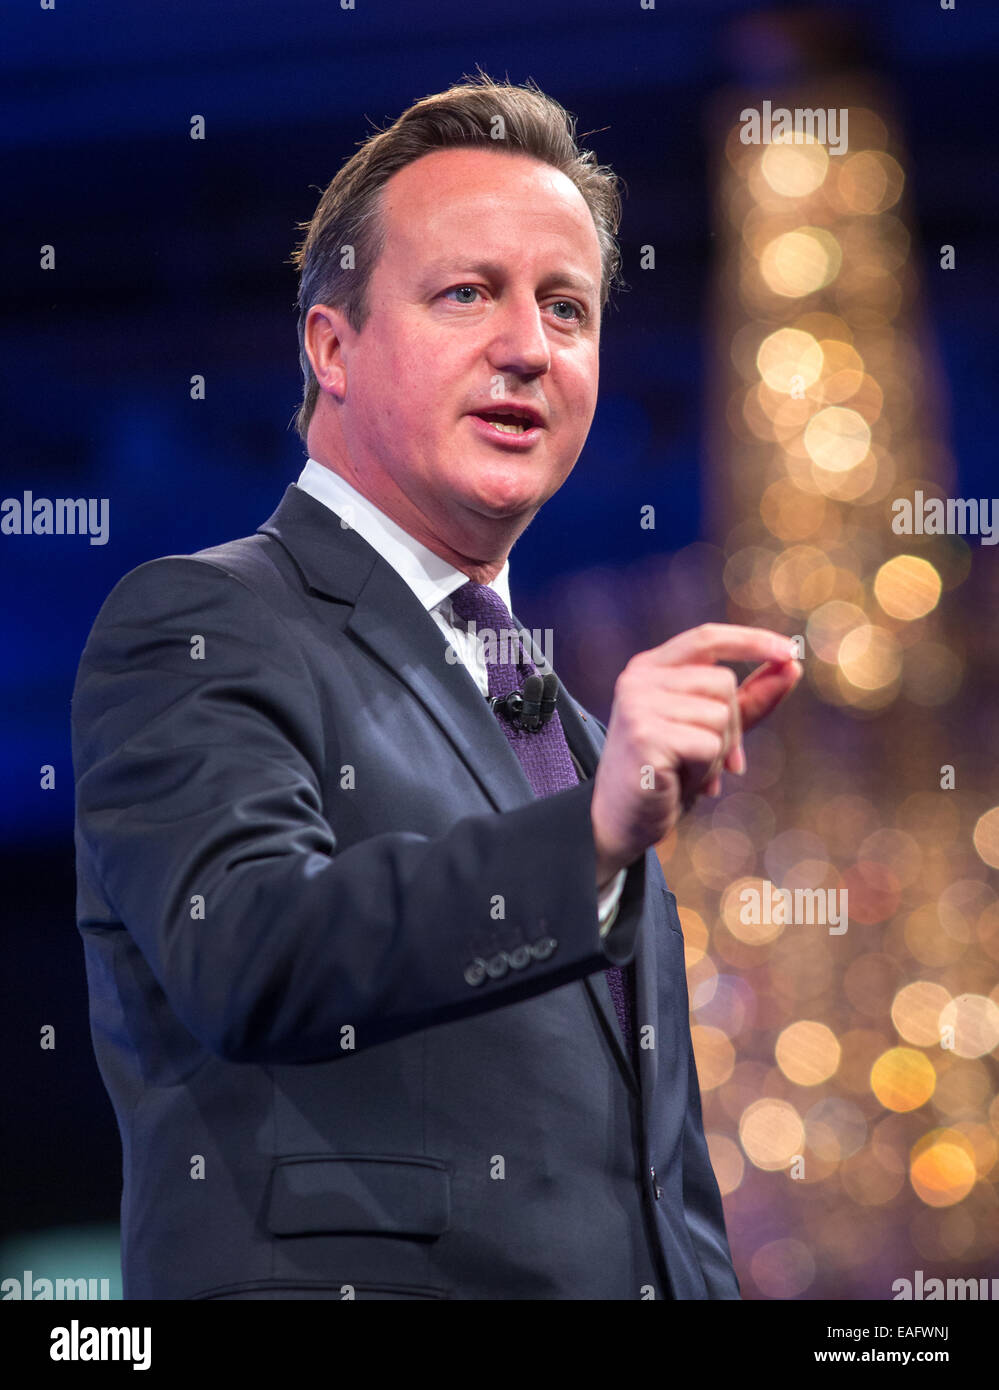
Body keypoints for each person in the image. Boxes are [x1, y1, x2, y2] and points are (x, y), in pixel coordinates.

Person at [71, 75, 800, 1301]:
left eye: (566, 307)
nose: (527, 345)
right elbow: (250, 954)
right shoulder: (204, 619)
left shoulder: (557, 721)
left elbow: (650, 1195)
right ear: (333, 346)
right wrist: (595, 836)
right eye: (468, 293)